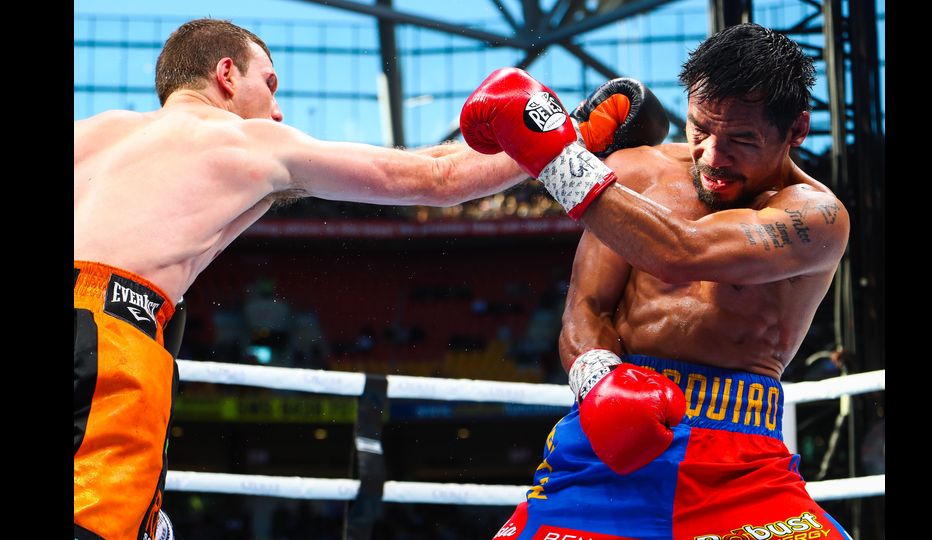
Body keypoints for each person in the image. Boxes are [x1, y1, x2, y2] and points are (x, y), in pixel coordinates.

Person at [74, 18, 649, 540]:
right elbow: (438, 177)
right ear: (226, 74)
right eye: (269, 84)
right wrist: (570, 136)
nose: (276, 111)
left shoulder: (95, 133)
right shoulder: (244, 140)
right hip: (109, 344)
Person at [461, 23, 852, 539]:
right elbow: (587, 308)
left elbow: (682, 252)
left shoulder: (818, 218)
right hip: (602, 446)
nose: (713, 155)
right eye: (699, 129)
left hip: (739, 464)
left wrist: (554, 155)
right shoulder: (635, 174)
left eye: (740, 139)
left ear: (797, 131)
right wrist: (599, 377)